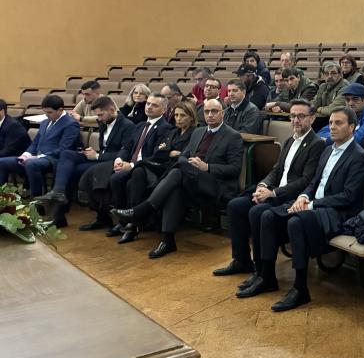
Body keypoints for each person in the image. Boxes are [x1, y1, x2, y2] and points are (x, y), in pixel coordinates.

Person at [240, 107, 364, 311]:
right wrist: (303, 197)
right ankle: (266, 276)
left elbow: (348, 197)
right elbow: (313, 183)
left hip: (337, 212)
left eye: (338, 123)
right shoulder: (328, 150)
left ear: (352, 127)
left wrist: (311, 204)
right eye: (331, 123)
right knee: (265, 215)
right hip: (314, 205)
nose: (332, 127)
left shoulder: (359, 156)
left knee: (296, 221)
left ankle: (300, 289)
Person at [113, 98, 244, 259]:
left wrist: (207, 167)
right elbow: (183, 156)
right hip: (191, 179)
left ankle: (143, 210)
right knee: (175, 187)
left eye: (214, 111)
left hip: (215, 184)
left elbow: (234, 169)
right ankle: (167, 240)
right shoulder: (198, 132)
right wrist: (188, 163)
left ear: (222, 113)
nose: (210, 115)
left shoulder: (233, 136)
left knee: (178, 172)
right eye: (207, 111)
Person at [214, 99, 325, 280]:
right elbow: (276, 170)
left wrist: (272, 193)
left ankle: (261, 270)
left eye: (301, 116)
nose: (296, 120)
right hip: (274, 191)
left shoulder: (317, 144)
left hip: (290, 196)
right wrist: (263, 185)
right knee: (235, 206)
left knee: (257, 212)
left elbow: (306, 180)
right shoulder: (289, 140)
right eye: (293, 116)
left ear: (312, 119)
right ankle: (241, 260)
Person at [35, 96, 134, 225]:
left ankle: (63, 211)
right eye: (97, 115)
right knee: (67, 155)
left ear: (111, 110)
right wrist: (90, 152)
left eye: (101, 115)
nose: (99, 119)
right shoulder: (104, 122)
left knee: (71, 172)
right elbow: (105, 147)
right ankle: (58, 195)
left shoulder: (127, 126)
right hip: (99, 158)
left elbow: (125, 153)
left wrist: (97, 156)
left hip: (112, 162)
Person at [107, 98, 181, 243]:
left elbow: (157, 155)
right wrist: (119, 159)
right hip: (133, 165)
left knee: (133, 176)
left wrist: (132, 165)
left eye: (155, 105)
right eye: (148, 104)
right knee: (115, 178)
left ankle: (133, 225)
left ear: (164, 110)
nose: (149, 107)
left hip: (149, 168)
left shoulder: (165, 128)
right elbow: (127, 147)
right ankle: (123, 222)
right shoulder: (140, 125)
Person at [0, 94, 80, 197]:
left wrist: (38, 157)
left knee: (31, 164)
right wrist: (26, 154)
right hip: (36, 157)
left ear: (60, 110)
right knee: (2, 162)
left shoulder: (70, 124)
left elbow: (64, 149)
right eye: (45, 112)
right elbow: (35, 143)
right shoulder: (45, 122)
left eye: (49, 112)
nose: (46, 115)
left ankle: (36, 198)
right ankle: (2, 196)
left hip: (53, 158)